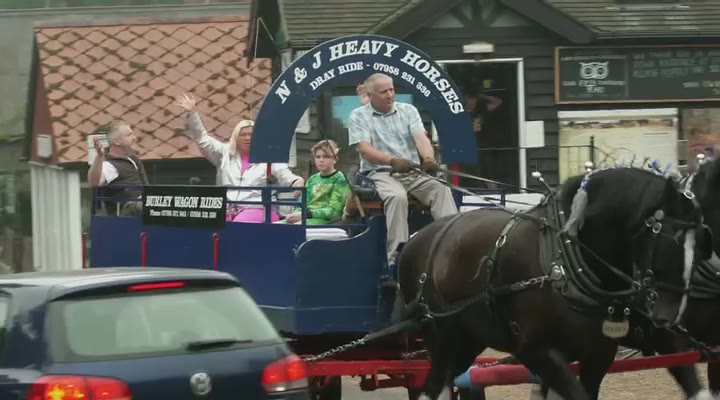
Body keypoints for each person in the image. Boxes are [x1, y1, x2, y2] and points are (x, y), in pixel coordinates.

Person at [347, 73, 458, 268]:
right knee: (397, 197)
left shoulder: (409, 110)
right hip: (380, 172)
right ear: (370, 95)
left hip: (411, 171)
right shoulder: (358, 115)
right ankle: (397, 259)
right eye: (384, 92)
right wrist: (392, 160)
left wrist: (429, 159)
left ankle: (454, 245)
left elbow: (421, 138)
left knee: (441, 189)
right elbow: (365, 150)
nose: (390, 94)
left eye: (392, 89)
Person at [174, 93, 304, 223]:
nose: (247, 138)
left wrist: (296, 181)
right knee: (207, 225)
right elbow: (203, 139)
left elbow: (284, 173)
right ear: (236, 137)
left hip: (259, 209)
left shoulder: (267, 156)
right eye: (243, 134)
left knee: (236, 227)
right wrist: (192, 113)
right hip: (228, 209)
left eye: (251, 135)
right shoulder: (224, 153)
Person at [279, 139, 350, 225]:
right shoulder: (312, 179)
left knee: (294, 228)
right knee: (273, 226)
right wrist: (294, 215)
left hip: (325, 221)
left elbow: (333, 212)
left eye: (326, 157)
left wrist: (306, 214)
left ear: (335, 159)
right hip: (304, 217)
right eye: (318, 157)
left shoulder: (340, 179)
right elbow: (301, 203)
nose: (321, 160)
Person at [87, 119, 149, 216]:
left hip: (144, 213)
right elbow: (94, 182)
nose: (134, 138)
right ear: (117, 141)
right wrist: (99, 158)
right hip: (125, 216)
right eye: (129, 135)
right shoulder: (109, 165)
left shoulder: (133, 160)